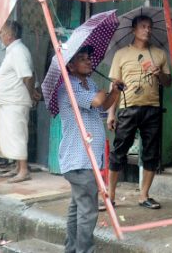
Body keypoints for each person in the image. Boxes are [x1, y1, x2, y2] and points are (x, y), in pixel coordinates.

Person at [60, 45, 122, 253]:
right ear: (70, 65)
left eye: (89, 58)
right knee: (88, 210)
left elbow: (104, 106)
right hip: (79, 158)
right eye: (82, 59)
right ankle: (84, 250)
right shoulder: (70, 86)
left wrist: (115, 91)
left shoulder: (90, 84)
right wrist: (105, 89)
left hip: (88, 158)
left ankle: (72, 249)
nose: (89, 62)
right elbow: (97, 100)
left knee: (77, 207)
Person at [106, 14, 171, 210]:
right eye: (143, 26)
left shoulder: (159, 54)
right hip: (128, 107)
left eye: (149, 27)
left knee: (151, 153)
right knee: (119, 152)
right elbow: (114, 87)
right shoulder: (121, 54)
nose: (147, 30)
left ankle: (144, 196)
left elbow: (168, 83)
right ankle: (111, 195)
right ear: (133, 30)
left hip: (152, 108)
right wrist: (111, 113)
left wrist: (158, 73)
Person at [0, 21, 39, 183]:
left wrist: (29, 95)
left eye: (2, 32)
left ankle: (24, 170)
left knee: (17, 135)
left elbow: (28, 76)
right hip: (9, 101)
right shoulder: (13, 50)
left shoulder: (18, 51)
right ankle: (17, 167)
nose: (1, 36)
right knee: (11, 134)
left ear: (10, 35)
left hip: (15, 101)